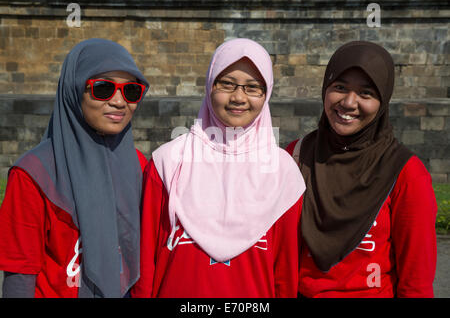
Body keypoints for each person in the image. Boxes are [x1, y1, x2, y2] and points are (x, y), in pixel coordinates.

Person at [131, 38, 305, 298]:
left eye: (252, 88)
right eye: (226, 84)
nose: (238, 97)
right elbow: (145, 264)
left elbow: (285, 273)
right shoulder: (168, 162)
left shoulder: (282, 172)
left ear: (266, 94)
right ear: (209, 85)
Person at [286, 41, 437, 298]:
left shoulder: (405, 172)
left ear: (382, 102)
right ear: (325, 88)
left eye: (366, 93)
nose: (348, 102)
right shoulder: (295, 156)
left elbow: (416, 282)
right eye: (340, 87)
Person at [0, 38, 149, 298]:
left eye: (131, 91)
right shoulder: (33, 174)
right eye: (103, 89)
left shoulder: (139, 165)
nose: (119, 101)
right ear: (74, 90)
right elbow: (19, 273)